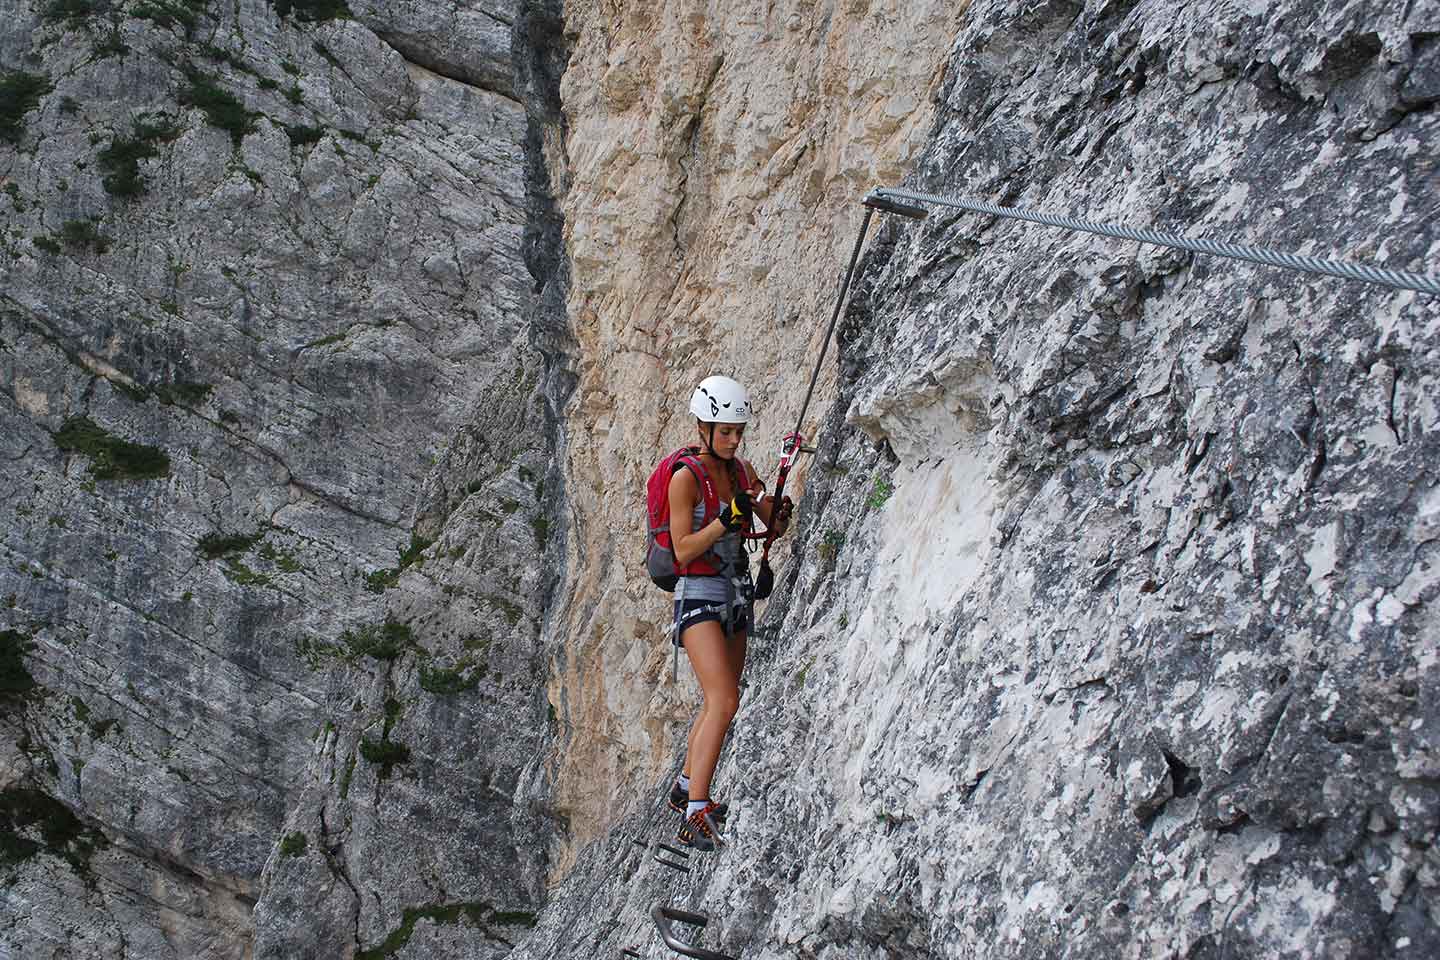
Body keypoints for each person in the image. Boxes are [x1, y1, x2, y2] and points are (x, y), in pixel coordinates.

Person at [665, 375, 792, 851]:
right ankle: (696, 812)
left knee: (721, 696)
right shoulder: (685, 480)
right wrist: (724, 518)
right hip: (697, 593)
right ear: (703, 427)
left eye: (739, 431)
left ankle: (683, 786)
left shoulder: (742, 471)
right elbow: (682, 549)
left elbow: (770, 522)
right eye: (726, 431)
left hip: (736, 593)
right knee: (725, 701)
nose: (735, 439)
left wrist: (774, 506)